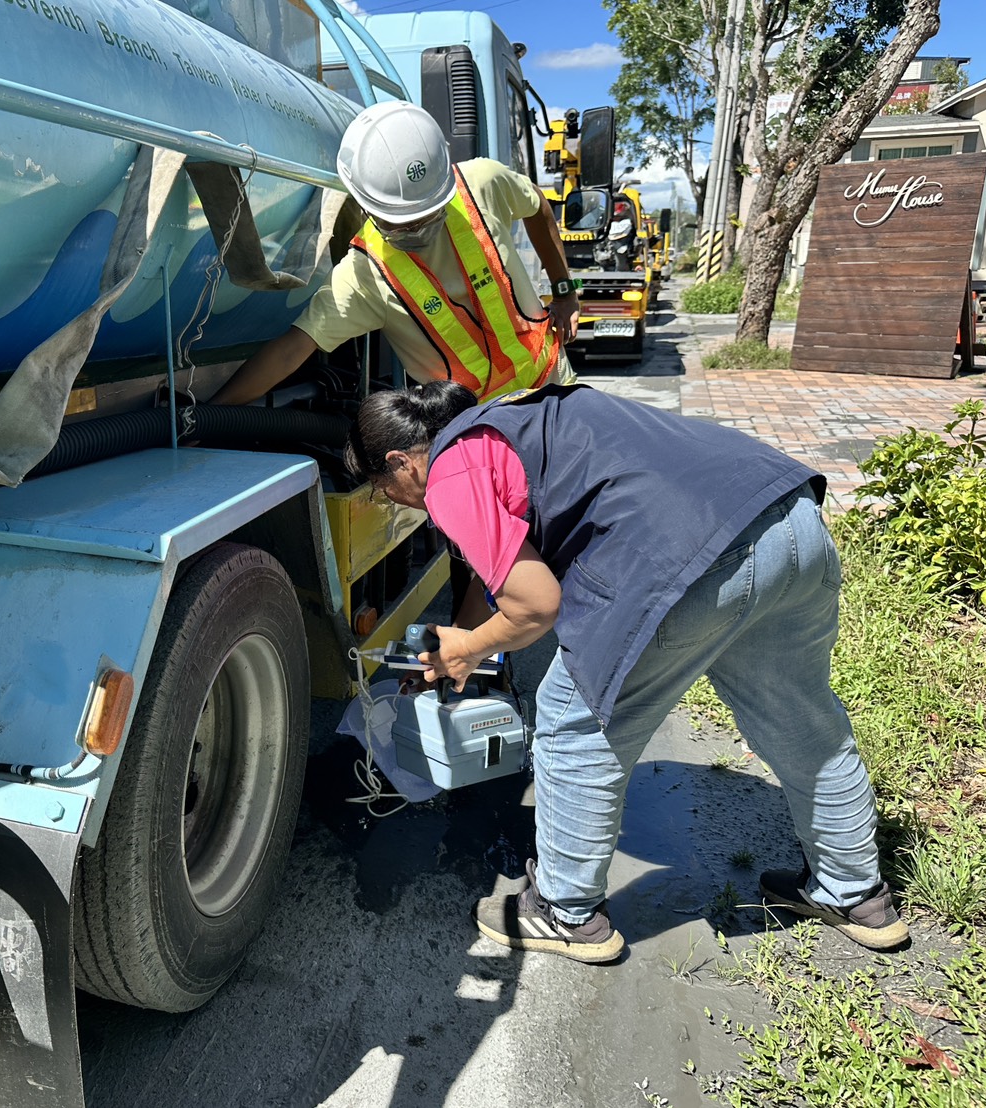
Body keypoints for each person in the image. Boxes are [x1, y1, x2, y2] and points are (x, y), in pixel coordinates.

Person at [343, 380, 909, 963]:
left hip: (687, 556)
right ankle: (855, 893)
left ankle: (566, 913)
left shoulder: (449, 475)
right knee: (802, 722)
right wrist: (465, 640)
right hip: (790, 519)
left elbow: (535, 606)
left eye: (385, 490)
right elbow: (504, 579)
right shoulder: (515, 419)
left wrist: (469, 651)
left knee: (573, 728)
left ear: (401, 462)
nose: (396, 501)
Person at [212, 101, 581, 406]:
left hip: (554, 391)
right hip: (477, 436)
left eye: (427, 215)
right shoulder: (364, 274)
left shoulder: (482, 183)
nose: (416, 229)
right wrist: (210, 414)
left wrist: (565, 292)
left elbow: (537, 205)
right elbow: (292, 350)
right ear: (364, 204)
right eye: (400, 222)